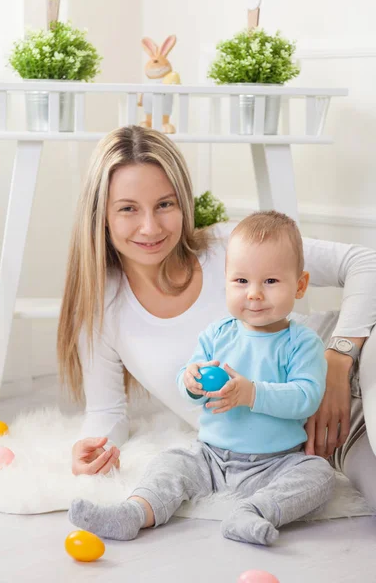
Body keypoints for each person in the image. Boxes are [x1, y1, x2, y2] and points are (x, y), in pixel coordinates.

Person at [57, 125, 376, 511]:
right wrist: (92, 447)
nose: (150, 227)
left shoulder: (229, 246)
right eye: (128, 208)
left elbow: (365, 262)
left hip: (358, 362)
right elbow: (106, 411)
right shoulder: (101, 308)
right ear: (101, 215)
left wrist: (339, 360)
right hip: (320, 437)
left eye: (165, 204)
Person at [68, 211, 336, 546]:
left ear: (299, 285)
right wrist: (190, 382)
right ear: (225, 280)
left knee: (319, 476)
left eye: (270, 282)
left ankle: (255, 511)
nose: (253, 293)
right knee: (169, 463)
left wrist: (251, 393)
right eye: (241, 281)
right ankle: (134, 512)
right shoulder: (216, 334)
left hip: (276, 461)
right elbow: (188, 377)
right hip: (211, 455)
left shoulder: (302, 342)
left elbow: (305, 397)